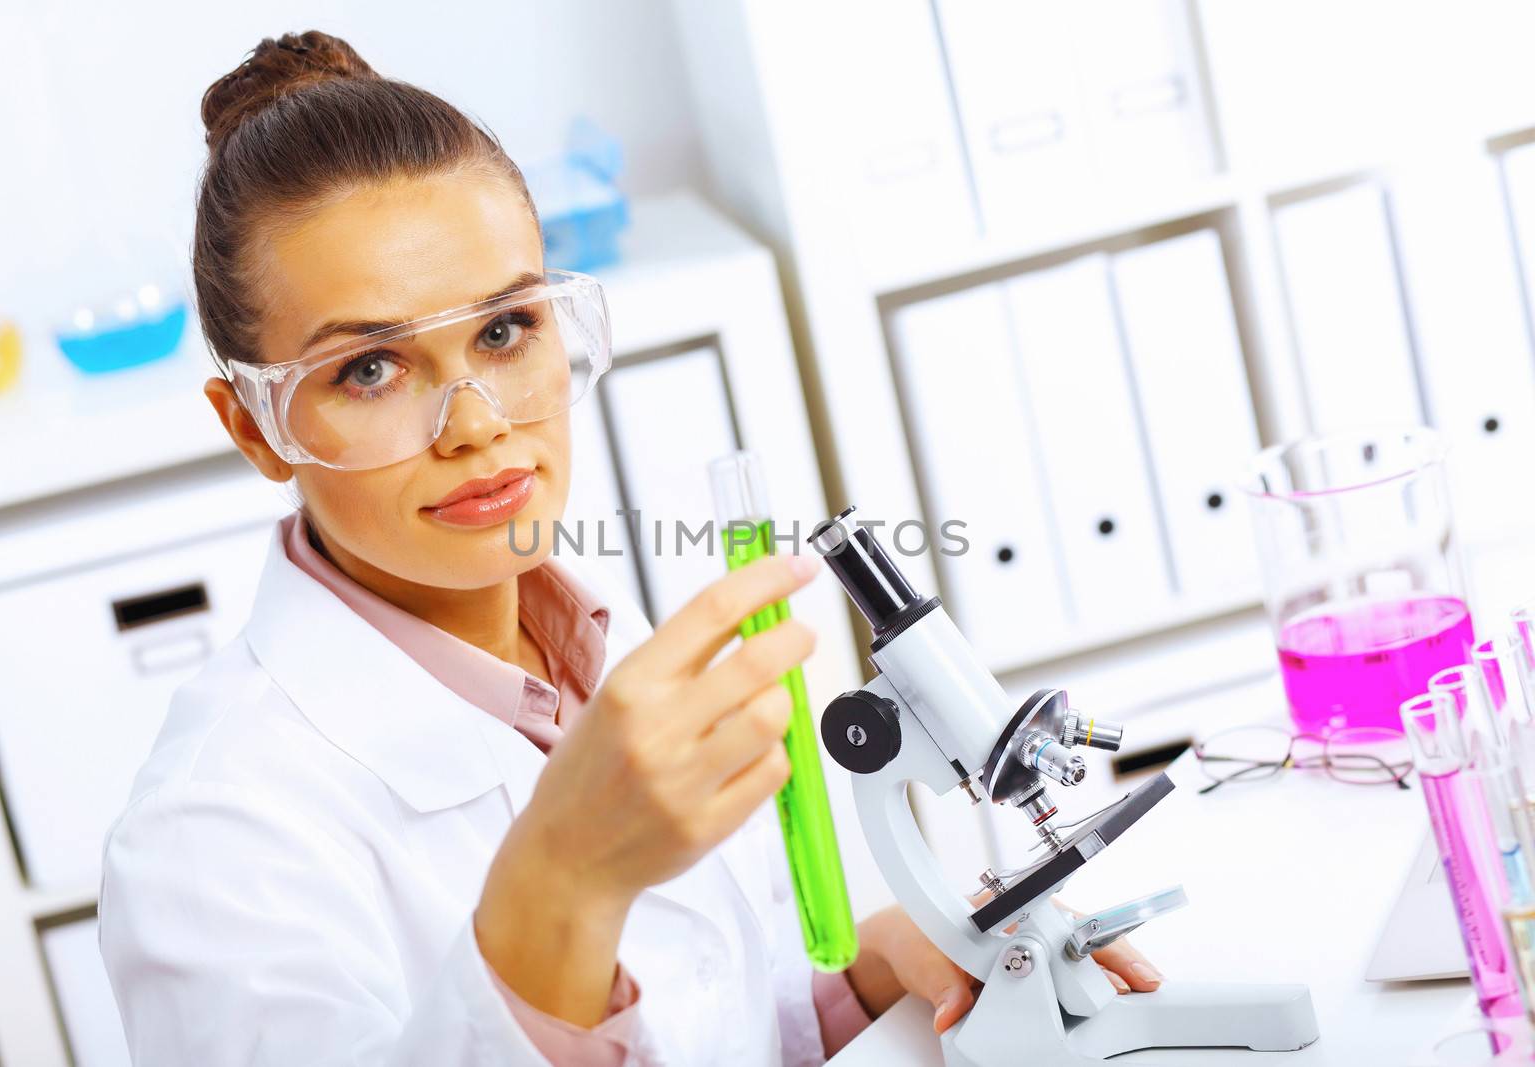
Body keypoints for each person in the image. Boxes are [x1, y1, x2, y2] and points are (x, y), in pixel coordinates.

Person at [97, 30, 1162, 1066]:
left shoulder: (593, 649)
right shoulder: (213, 842)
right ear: (253, 430)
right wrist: (559, 881)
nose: (474, 423)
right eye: (369, 369)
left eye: (505, 330)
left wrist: (868, 975)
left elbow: (717, 1014)